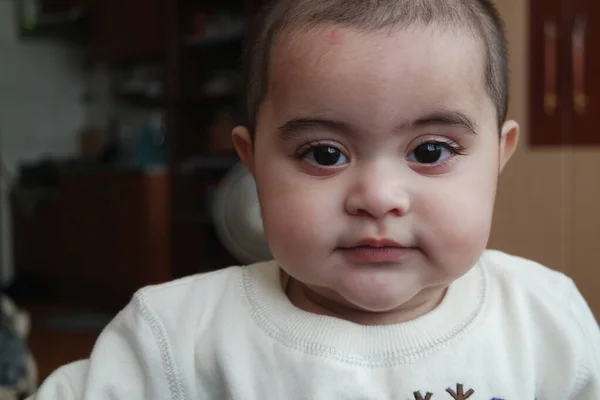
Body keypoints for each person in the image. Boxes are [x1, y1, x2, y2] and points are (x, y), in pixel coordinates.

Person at [29, 0, 600, 398]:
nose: (378, 198)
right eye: (325, 154)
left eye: (429, 151)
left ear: (499, 156)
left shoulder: (544, 316)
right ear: (252, 163)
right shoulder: (176, 336)